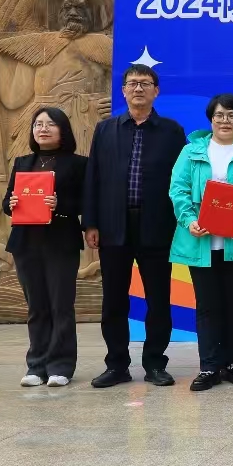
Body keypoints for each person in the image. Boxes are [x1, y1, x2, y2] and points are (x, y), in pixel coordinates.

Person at [84, 65, 187, 388]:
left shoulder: (172, 131)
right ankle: (116, 365)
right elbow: (93, 178)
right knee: (114, 300)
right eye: (132, 83)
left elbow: (183, 180)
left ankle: (155, 363)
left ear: (156, 91)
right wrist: (90, 222)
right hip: (113, 226)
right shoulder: (105, 130)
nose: (138, 88)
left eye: (145, 83)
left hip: (157, 225)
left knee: (158, 299)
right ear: (123, 91)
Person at [168, 94, 233, 392]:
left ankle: (231, 362)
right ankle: (209, 366)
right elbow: (178, 189)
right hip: (201, 241)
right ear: (211, 119)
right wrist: (189, 220)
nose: (225, 121)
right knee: (207, 306)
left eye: (232, 115)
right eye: (220, 115)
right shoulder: (191, 151)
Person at [4, 108, 87, 387]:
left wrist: (60, 205)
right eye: (38, 124)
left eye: (50, 124)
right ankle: (36, 366)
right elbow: (7, 203)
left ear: (63, 130)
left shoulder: (78, 164)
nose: (43, 129)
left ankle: (60, 366)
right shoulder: (23, 162)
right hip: (26, 243)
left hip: (60, 242)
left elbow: (85, 202)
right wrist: (12, 203)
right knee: (36, 307)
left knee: (61, 305)